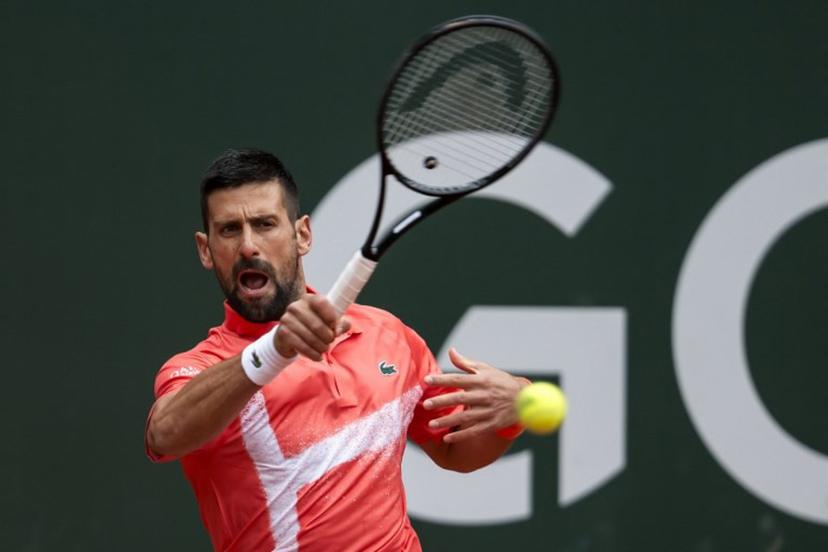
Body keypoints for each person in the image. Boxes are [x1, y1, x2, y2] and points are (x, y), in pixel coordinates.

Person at [145, 148, 530, 552]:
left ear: (302, 234)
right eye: (229, 230)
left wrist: (512, 412)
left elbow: (455, 451)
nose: (247, 246)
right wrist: (273, 350)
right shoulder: (201, 366)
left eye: (264, 224)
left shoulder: (388, 336)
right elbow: (165, 434)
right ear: (206, 250)